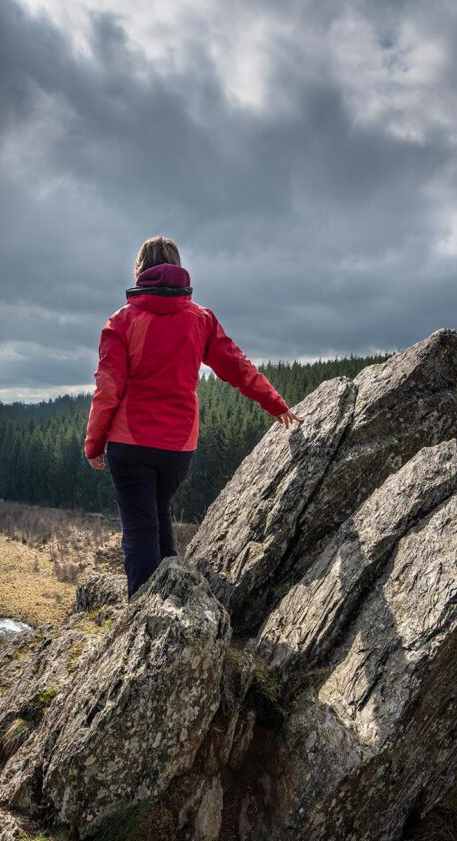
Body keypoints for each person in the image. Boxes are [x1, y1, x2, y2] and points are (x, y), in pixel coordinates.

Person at [84, 235, 304, 599]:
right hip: (177, 449)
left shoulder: (121, 322)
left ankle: (144, 616)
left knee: (139, 532)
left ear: (140, 271)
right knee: (159, 515)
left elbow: (108, 388)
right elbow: (237, 367)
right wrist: (275, 403)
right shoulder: (200, 319)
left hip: (130, 444)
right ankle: (171, 599)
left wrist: (94, 443)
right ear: (179, 269)